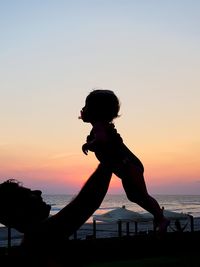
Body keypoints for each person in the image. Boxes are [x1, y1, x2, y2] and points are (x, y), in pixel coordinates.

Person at [79, 89, 170, 233]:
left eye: (86, 106)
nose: (83, 109)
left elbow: (102, 140)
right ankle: (159, 218)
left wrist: (89, 145)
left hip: (129, 165)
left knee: (141, 196)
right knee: (135, 196)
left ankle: (161, 218)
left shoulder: (99, 127)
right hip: (128, 167)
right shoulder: (101, 127)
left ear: (96, 110)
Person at [0, 163, 112, 266]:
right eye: (29, 194)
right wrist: (107, 159)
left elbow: (80, 204)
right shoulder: (39, 238)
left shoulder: (31, 242)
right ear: (19, 211)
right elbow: (86, 201)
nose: (38, 191)